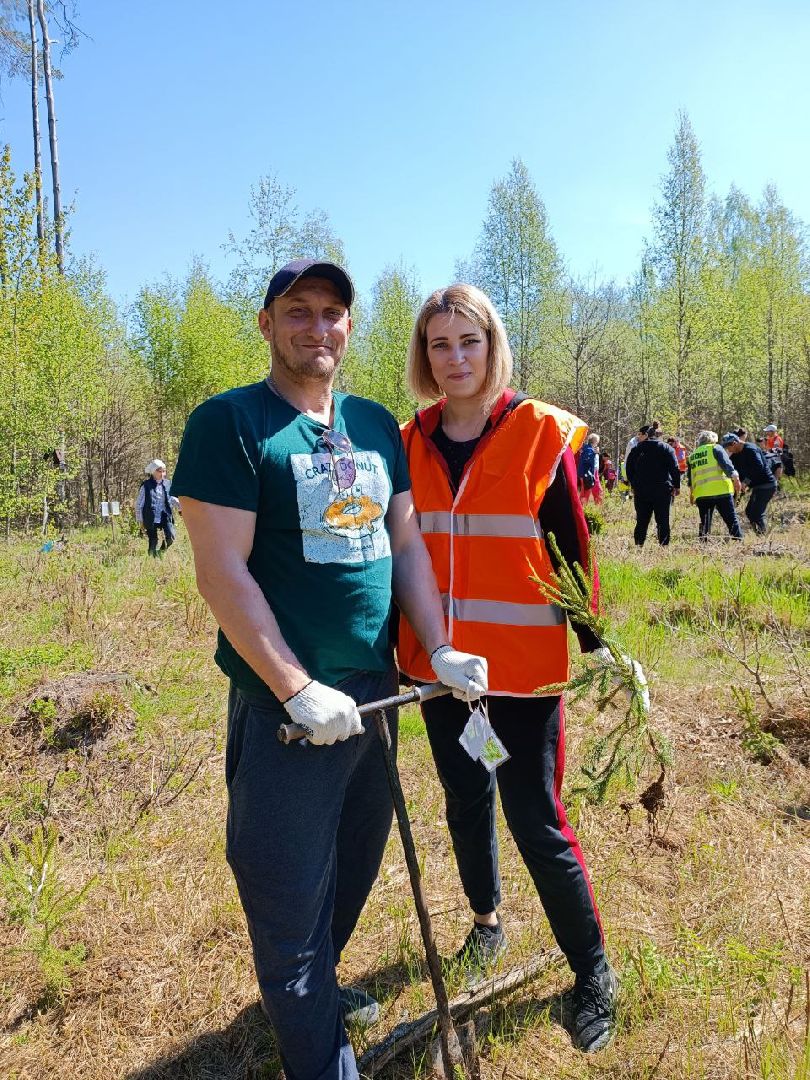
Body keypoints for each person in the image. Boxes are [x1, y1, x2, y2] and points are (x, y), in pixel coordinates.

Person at [171, 260, 487, 1080]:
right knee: (285, 890)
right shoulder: (231, 424)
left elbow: (404, 544)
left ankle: (315, 993)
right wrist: (295, 687)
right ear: (267, 324)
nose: (318, 327)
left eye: (333, 312)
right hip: (290, 712)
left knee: (351, 867)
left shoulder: (376, 424)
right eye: (298, 311)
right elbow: (221, 573)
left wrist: (438, 646)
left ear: (350, 326)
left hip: (373, 697)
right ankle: (318, 1056)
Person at [398, 283, 633, 1055]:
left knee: (536, 819)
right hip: (441, 673)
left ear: (492, 345)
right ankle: (486, 923)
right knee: (466, 798)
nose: (455, 357)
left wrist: (597, 643)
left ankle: (591, 971)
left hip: (523, 676)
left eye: (469, 341)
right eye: (440, 344)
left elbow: (569, 544)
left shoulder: (536, 431)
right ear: (425, 356)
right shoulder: (405, 441)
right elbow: (394, 553)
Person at [625, 425, 681, 546]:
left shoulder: (637, 448)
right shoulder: (666, 448)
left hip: (641, 490)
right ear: (659, 436)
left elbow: (628, 468)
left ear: (648, 435)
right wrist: (677, 486)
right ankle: (664, 546)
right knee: (663, 520)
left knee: (641, 520)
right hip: (662, 490)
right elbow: (675, 468)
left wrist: (633, 484)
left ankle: (639, 545)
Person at [686, 432, 742, 540]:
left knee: (705, 522)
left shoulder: (692, 456)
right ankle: (738, 540)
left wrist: (692, 494)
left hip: (702, 494)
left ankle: (703, 544)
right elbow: (727, 465)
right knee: (731, 519)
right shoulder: (715, 448)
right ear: (713, 440)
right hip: (721, 491)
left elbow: (691, 477)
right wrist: (736, 480)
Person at [721, 432, 777, 534]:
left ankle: (763, 536)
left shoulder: (751, 449)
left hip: (766, 485)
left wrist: (745, 482)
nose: (728, 450)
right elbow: (735, 471)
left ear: (734, 443)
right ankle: (760, 534)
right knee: (749, 512)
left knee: (756, 514)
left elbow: (758, 467)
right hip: (757, 487)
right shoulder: (735, 455)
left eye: (728, 447)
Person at [135, 459, 180, 557]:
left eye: (164, 471)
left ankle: (161, 552)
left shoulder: (168, 483)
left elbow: (171, 498)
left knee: (171, 536)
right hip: (150, 517)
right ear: (153, 472)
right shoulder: (146, 485)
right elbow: (139, 504)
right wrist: (140, 521)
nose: (162, 473)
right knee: (153, 541)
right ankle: (152, 558)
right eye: (159, 471)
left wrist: (181, 507)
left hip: (165, 515)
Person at [578, 433, 603, 504]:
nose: (597, 443)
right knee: (589, 490)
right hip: (588, 473)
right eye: (597, 442)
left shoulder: (589, 449)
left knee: (588, 490)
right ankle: (583, 506)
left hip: (591, 473)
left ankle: (585, 506)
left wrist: (595, 453)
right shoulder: (588, 449)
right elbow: (587, 460)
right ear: (594, 441)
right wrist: (595, 453)